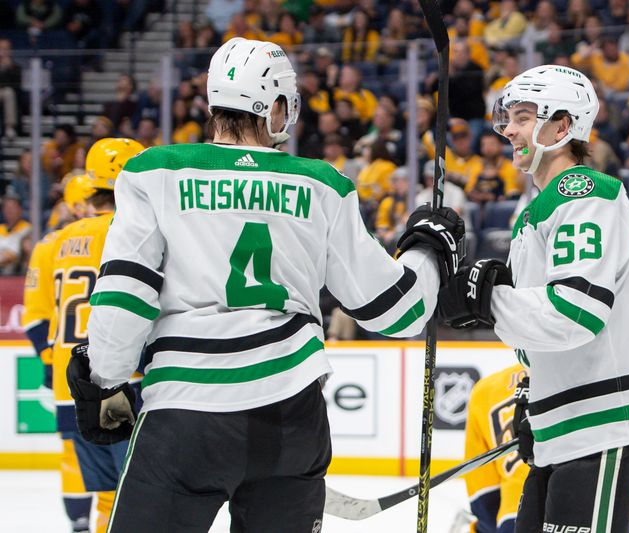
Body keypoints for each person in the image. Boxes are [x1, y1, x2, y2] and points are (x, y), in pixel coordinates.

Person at [68, 38, 463, 531]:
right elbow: (398, 312)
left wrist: (103, 377)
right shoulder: (323, 184)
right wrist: (429, 247)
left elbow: (127, 293)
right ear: (277, 105)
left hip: (186, 416)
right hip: (290, 416)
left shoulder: (155, 171)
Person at [437, 65, 629, 532]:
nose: (509, 130)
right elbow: (537, 340)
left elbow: (577, 311)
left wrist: (488, 301)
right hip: (570, 420)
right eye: (509, 118)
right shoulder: (535, 212)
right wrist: (538, 398)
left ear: (563, 126)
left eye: (523, 117)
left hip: (606, 419)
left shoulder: (582, 193)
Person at [463, 364, 629, 533]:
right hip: (621, 500)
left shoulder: (486, 391)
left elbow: (483, 499)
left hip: (515, 516)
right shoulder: (612, 368)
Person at [51, 139, 146, 533]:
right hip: (121, 375)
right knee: (131, 482)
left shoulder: (59, 240)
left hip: (71, 374)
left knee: (92, 474)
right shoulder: (130, 230)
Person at [22, 173, 98, 533]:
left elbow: (34, 318)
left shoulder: (49, 245)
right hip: (116, 364)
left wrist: (49, 360)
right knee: (122, 453)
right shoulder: (122, 233)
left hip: (67, 365)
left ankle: (79, 523)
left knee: (73, 451)